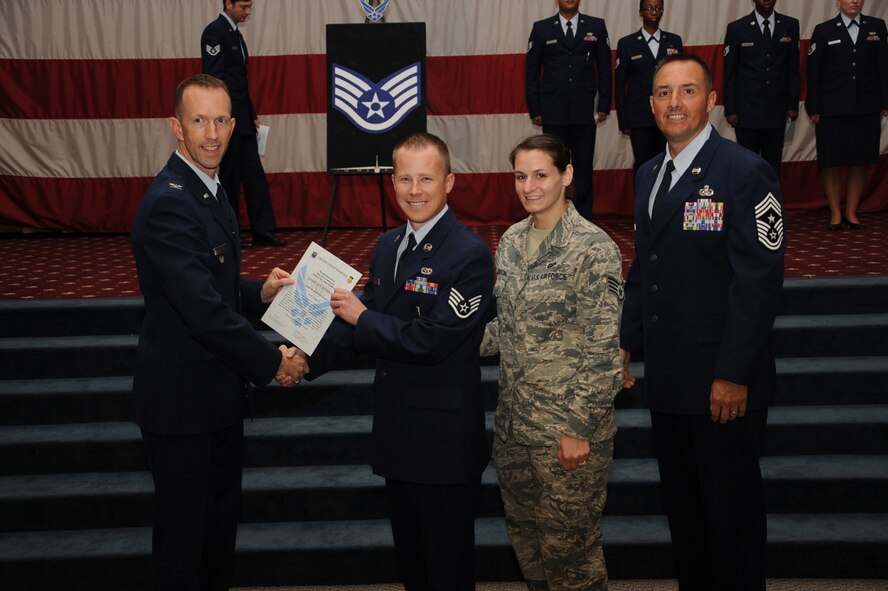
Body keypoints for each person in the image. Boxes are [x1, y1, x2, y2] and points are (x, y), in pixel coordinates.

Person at [130, 73, 308, 591]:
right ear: (176, 128)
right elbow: (203, 312)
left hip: (214, 401)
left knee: (214, 540)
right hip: (183, 408)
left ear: (235, 124)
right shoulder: (170, 202)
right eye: (199, 120)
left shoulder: (206, 188)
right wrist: (275, 361)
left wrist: (262, 295)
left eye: (221, 120)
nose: (212, 133)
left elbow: (216, 286)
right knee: (186, 549)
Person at [620, 53, 785, 591]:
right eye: (664, 93)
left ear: (712, 99)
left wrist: (734, 373)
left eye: (688, 91)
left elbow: (758, 283)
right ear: (650, 104)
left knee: (731, 519)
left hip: (722, 383)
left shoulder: (745, 171)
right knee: (686, 517)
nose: (675, 103)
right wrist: (627, 343)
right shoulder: (648, 174)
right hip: (669, 379)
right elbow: (648, 268)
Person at [305, 132, 495, 590]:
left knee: (447, 570)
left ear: (449, 182)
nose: (415, 190)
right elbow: (360, 321)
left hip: (443, 444)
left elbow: (433, 339)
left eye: (426, 178)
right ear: (392, 182)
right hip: (398, 435)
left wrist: (363, 316)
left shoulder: (470, 254)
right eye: (405, 178)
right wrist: (303, 358)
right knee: (412, 565)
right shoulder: (389, 245)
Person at [481, 134, 623, 591]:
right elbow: (508, 327)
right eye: (520, 176)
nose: (529, 186)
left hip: (566, 434)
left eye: (540, 174)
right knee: (530, 547)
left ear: (567, 175)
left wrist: (578, 428)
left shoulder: (593, 248)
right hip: (515, 430)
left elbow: (604, 352)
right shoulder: (510, 241)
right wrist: (441, 336)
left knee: (571, 557)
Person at [202, 0, 285, 247]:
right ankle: (232, 234)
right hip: (228, 119)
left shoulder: (234, 33)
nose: (248, 12)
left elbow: (240, 82)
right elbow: (215, 80)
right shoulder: (215, 32)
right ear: (228, 4)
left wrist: (251, 114)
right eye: (244, 7)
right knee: (230, 176)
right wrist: (223, 118)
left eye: (250, 7)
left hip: (243, 118)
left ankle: (263, 229)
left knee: (253, 175)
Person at [805, 0, 888, 231]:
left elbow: (883, 65)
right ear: (838, 2)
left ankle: (851, 212)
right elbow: (813, 71)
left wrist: (884, 101)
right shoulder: (824, 30)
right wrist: (814, 107)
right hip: (831, 109)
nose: (854, 1)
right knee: (831, 163)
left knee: (859, 163)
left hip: (866, 107)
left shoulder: (877, 27)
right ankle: (834, 213)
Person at [525, 0, 612, 220]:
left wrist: (603, 105)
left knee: (583, 168)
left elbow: (604, 69)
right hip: (552, 111)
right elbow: (532, 72)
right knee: (553, 167)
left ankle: (583, 221)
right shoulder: (541, 28)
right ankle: (554, 216)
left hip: (585, 111)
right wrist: (534, 108)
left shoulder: (596, 26)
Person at [723, 0, 801, 178]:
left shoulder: (790, 25)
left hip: (777, 109)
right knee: (746, 165)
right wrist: (731, 109)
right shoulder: (737, 28)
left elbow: (793, 69)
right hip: (746, 111)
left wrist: (793, 104)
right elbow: (730, 73)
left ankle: (771, 205)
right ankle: (748, 205)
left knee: (772, 166)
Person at [615, 0, 684, 177]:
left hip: (670, 114)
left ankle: (664, 204)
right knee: (643, 165)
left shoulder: (674, 41)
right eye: (648, 8)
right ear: (641, 12)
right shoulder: (627, 44)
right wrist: (624, 121)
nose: (653, 12)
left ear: (662, 11)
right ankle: (643, 205)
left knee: (669, 163)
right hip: (639, 118)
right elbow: (620, 86)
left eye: (658, 8)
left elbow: (682, 79)